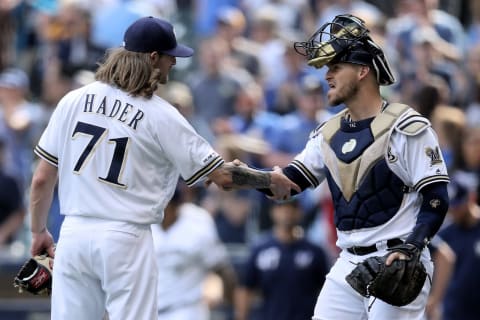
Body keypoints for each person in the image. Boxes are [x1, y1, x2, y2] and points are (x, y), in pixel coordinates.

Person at [28, 16, 299, 320]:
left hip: (74, 232)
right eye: (171, 57)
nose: (174, 63)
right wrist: (268, 180)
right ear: (154, 58)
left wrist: (38, 230)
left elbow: (41, 178)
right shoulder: (159, 114)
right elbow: (221, 174)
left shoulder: (74, 100)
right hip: (125, 237)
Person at [234, 14, 450, 319]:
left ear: (363, 71)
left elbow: (436, 197)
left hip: (396, 258)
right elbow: (288, 183)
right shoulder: (328, 132)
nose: (327, 76)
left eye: (335, 67)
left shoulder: (407, 126)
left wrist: (412, 247)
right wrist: (241, 176)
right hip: (347, 261)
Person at [152, 182, 237, 320]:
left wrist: (234, 308)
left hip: (186, 309)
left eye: (171, 203)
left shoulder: (198, 221)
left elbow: (220, 267)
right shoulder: (143, 221)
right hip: (148, 311)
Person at [234, 199, 330, 320]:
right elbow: (245, 288)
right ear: (272, 211)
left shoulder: (314, 251)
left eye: (293, 207)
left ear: (300, 212)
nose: (287, 211)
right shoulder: (260, 249)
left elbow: (326, 290)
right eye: (282, 207)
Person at [426, 177, 480, 320]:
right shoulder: (445, 235)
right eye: (452, 207)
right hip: (453, 312)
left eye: (459, 206)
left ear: (471, 198)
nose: (455, 211)